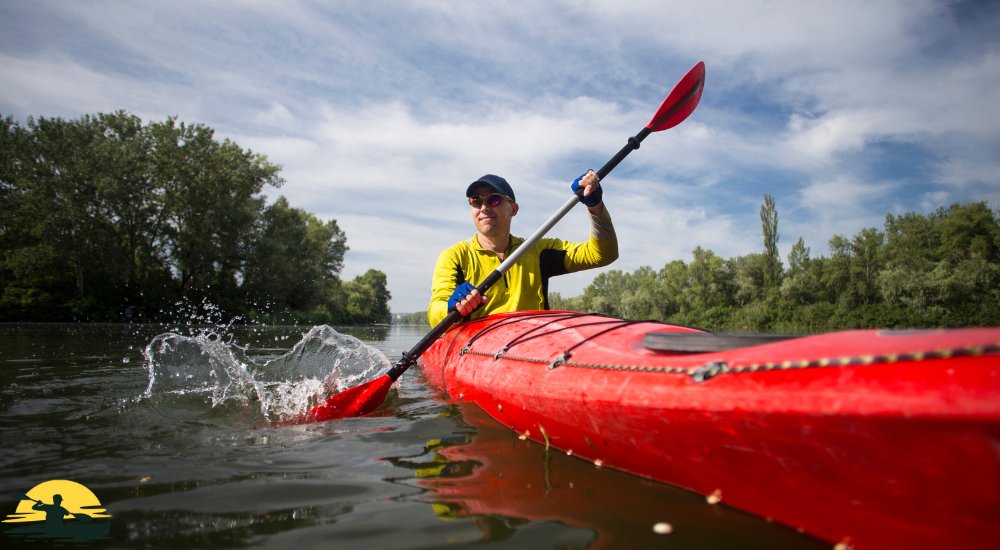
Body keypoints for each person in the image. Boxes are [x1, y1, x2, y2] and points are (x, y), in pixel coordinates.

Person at [428, 171, 617, 325]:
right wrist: (451, 308)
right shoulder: (454, 256)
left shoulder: (537, 249)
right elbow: (436, 311)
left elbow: (601, 255)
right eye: (476, 201)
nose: (484, 207)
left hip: (533, 343)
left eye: (494, 200)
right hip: (477, 350)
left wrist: (595, 207)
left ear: (514, 209)